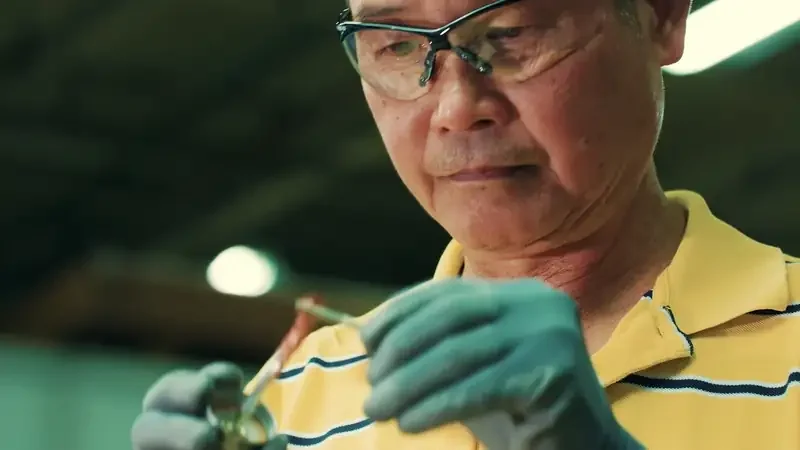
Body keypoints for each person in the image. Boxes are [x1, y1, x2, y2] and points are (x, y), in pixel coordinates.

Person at [132, 0, 800, 448]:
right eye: (397, 45)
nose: (455, 107)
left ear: (661, 14)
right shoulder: (302, 400)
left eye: (511, 34)